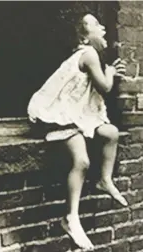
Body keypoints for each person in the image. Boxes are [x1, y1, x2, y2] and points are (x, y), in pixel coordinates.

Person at [27, 13, 128, 250]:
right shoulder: (89, 54)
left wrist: (109, 69)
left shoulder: (88, 55)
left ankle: (105, 179)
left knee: (111, 133)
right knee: (81, 161)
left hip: (76, 114)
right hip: (61, 117)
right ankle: (71, 217)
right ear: (83, 36)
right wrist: (111, 73)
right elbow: (104, 87)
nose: (103, 27)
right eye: (95, 24)